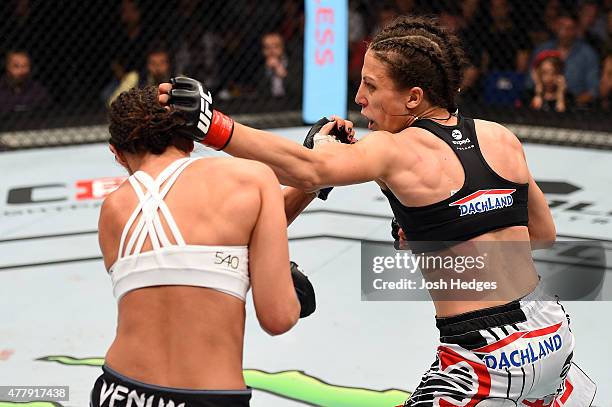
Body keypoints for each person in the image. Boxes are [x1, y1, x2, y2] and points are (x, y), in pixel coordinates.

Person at [160, 15, 596, 406]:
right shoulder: (500, 136)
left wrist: (211, 124)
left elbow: (308, 168)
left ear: (413, 98)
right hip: (552, 332)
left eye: (371, 85)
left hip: (484, 356)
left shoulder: (393, 149)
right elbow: (542, 233)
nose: (359, 97)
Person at [93, 85, 315, 407]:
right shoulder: (253, 179)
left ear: (116, 152)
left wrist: (310, 187)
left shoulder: (112, 210)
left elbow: (180, 263)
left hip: (119, 391)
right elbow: (278, 317)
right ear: (190, 137)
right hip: (207, 397)